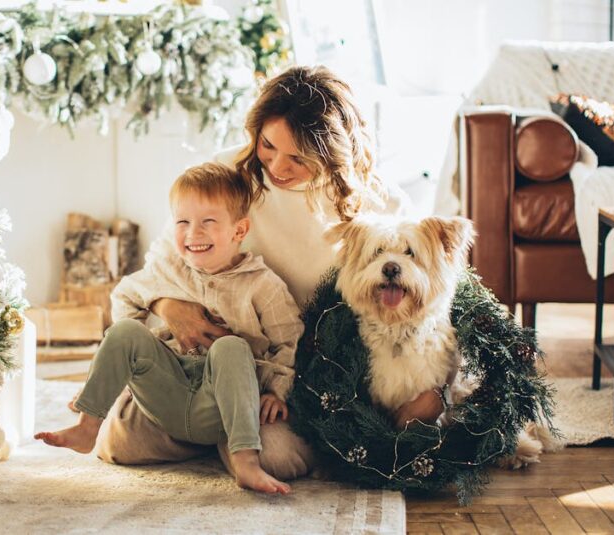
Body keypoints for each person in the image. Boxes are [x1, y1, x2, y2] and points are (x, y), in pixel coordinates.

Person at [92, 65, 443, 480]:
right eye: (268, 145)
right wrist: (169, 306)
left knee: (279, 459)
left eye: (299, 157)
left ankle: (226, 432)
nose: (277, 165)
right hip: (203, 360)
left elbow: (427, 282)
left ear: (333, 153)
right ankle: (212, 424)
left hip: (288, 370)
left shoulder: (375, 202)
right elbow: (164, 259)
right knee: (118, 445)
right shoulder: (228, 172)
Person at [36, 162, 303, 495]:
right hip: (170, 387)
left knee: (231, 347)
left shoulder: (262, 284)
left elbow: (289, 339)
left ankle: (245, 461)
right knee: (124, 334)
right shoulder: (167, 270)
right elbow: (123, 297)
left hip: (223, 400)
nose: (193, 234)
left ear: (239, 231)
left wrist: (276, 390)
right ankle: (87, 426)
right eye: (183, 222)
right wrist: (134, 354)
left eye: (208, 222)